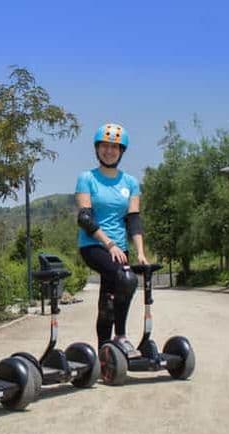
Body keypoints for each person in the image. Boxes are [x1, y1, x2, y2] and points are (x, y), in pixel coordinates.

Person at [75, 123, 148, 352]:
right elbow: (85, 218)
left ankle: (105, 350)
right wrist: (109, 244)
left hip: (120, 250)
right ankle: (121, 336)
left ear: (121, 151)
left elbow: (133, 220)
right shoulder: (87, 178)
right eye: (105, 146)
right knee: (126, 279)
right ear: (97, 149)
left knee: (108, 298)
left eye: (114, 147)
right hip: (94, 244)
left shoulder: (130, 183)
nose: (109, 151)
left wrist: (141, 253)